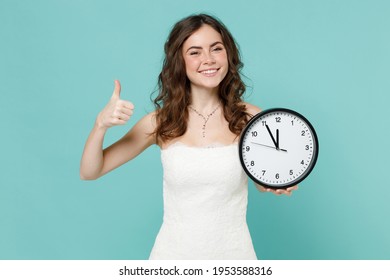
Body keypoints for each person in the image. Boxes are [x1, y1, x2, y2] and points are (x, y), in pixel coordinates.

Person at [80, 13, 297, 260]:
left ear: (228, 55)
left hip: (235, 259)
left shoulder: (251, 118)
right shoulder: (160, 122)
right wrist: (100, 125)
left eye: (216, 49)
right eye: (195, 52)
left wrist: (279, 184)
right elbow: (90, 171)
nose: (208, 59)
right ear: (179, 62)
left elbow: (264, 180)